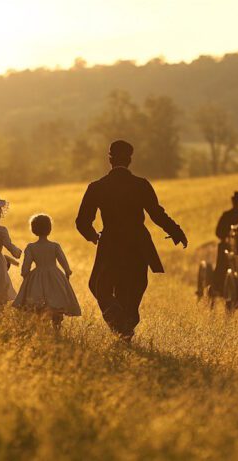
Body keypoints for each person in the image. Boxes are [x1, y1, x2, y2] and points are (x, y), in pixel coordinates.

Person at [75, 140, 188, 341]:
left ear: (110, 160)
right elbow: (156, 214)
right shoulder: (141, 185)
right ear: (130, 160)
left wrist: (94, 236)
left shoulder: (97, 187)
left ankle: (119, 322)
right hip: (138, 244)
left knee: (98, 285)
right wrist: (176, 232)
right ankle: (126, 324)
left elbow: (82, 221)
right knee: (134, 288)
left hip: (110, 244)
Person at [13, 214, 81, 330]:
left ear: (34, 230)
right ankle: (56, 328)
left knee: (39, 305)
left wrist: (26, 276)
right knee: (57, 303)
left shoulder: (31, 247)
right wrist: (67, 271)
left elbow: (25, 267)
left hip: (37, 277)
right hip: (55, 276)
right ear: (49, 229)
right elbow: (63, 261)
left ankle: (43, 330)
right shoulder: (54, 246)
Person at [212, 191, 238, 291]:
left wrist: (224, 238)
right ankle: (219, 281)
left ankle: (217, 282)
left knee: (222, 253)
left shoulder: (226, 215)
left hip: (230, 244)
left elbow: (218, 232)